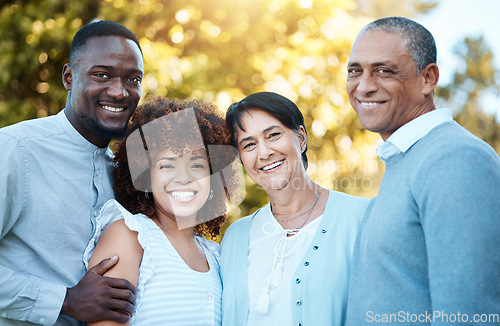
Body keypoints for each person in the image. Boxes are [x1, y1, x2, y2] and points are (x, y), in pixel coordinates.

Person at [345, 17, 500, 325]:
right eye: (355, 71)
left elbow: (469, 315)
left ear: (428, 79)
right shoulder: (408, 159)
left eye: (383, 71)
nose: (363, 86)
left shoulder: (455, 158)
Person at [0, 20, 144, 325]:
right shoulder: (15, 149)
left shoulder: (127, 173)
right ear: (69, 76)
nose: (119, 92)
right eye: (101, 75)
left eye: (133, 79)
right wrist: (65, 300)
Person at [85, 96, 242, 325]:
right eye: (167, 165)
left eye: (197, 165)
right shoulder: (130, 235)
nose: (184, 177)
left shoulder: (216, 256)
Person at [220, 91, 370, 326]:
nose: (264, 152)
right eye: (249, 144)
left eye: (273, 135)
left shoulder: (362, 218)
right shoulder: (234, 237)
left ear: (301, 138)